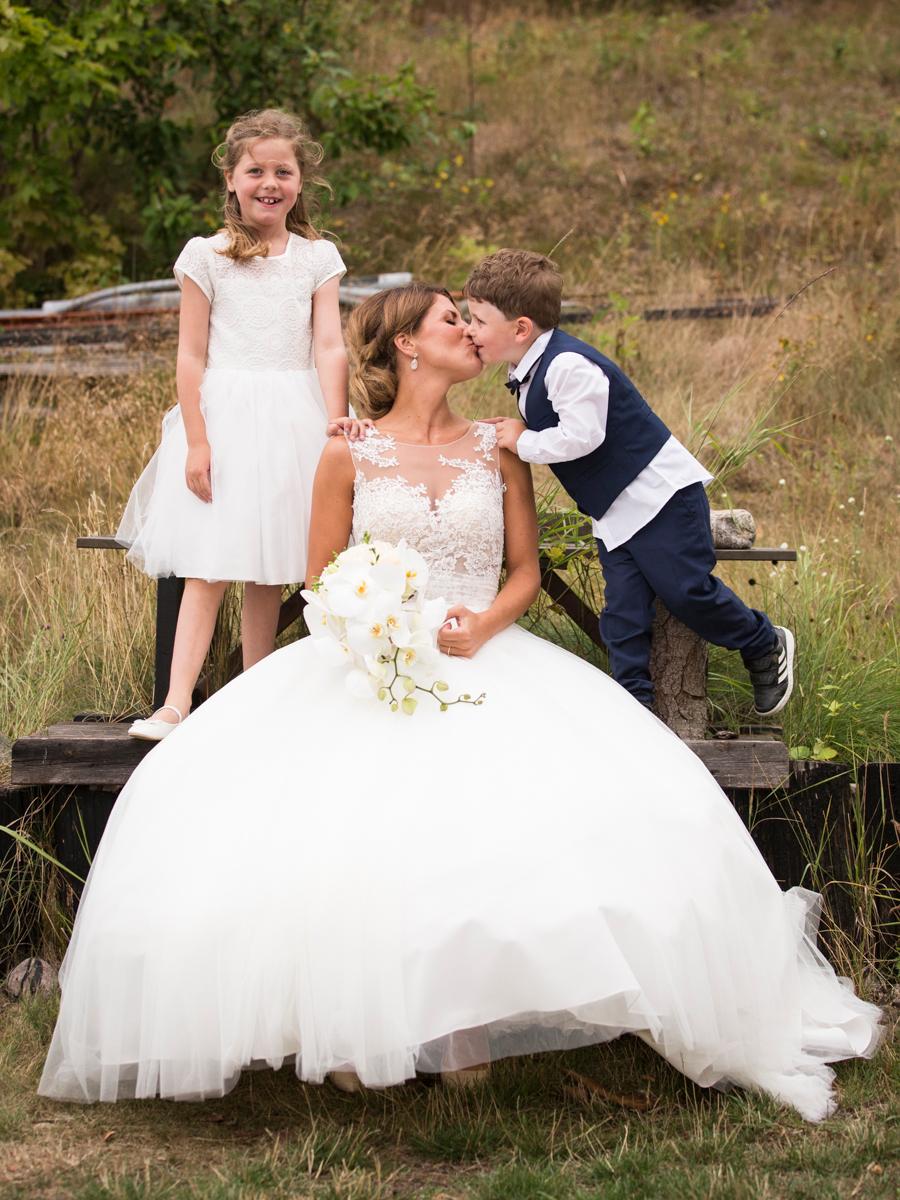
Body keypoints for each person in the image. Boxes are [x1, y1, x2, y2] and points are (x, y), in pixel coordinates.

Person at [40, 284, 880, 1120]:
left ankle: (465, 1024)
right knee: (354, 826)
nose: (470, 334)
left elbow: (523, 571)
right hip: (371, 661)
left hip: (486, 651)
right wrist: (370, 622)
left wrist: (485, 624)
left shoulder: (500, 445)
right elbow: (320, 575)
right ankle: (356, 1026)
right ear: (407, 345)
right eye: (450, 321)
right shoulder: (349, 451)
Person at [118, 109, 365, 742]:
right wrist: (197, 439)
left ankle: (255, 692)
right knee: (210, 562)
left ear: (300, 182)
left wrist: (336, 419)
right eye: (255, 170)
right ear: (231, 178)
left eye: (284, 171)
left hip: (295, 417)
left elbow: (330, 344)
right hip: (225, 418)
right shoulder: (208, 255)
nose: (270, 182)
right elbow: (191, 354)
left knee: (269, 567)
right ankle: (176, 703)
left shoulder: (318, 256)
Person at [466, 249, 794, 717]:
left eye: (477, 320)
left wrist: (524, 441)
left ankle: (763, 642)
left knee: (686, 591)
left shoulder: (567, 364)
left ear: (520, 328)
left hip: (658, 496)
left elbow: (583, 435)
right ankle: (634, 709)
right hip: (615, 510)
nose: (470, 329)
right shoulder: (532, 370)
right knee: (621, 617)